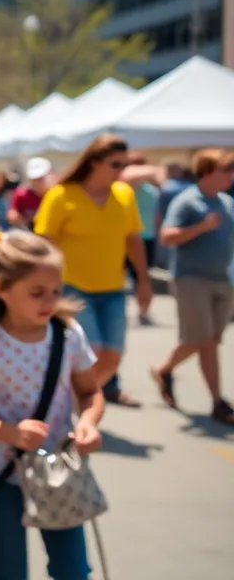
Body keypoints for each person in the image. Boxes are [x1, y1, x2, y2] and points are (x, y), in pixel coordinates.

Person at [0, 230, 104, 580]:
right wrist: (10, 433)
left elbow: (90, 392)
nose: (49, 301)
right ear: (2, 289)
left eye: (56, 291)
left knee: (73, 570)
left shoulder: (67, 333)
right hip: (0, 474)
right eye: (36, 293)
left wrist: (89, 423)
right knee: (9, 571)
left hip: (58, 472)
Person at [35, 134, 150, 408]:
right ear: (94, 162)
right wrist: (41, 288)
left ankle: (72, 402)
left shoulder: (124, 195)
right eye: (115, 164)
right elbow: (44, 244)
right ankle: (74, 405)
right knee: (93, 351)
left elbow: (133, 240)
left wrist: (144, 280)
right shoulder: (62, 195)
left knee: (113, 356)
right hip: (71, 286)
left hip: (113, 287)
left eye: (125, 165)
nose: (122, 171)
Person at [151, 149, 234, 424]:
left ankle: (170, 373)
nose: (231, 176)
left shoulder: (226, 202)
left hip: (221, 279)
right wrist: (201, 227)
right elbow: (167, 236)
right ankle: (214, 399)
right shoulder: (188, 201)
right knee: (202, 340)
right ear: (209, 172)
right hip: (191, 279)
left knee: (208, 340)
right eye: (226, 169)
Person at [123, 152, 161, 325]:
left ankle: (143, 311)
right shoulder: (122, 189)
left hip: (146, 238)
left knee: (143, 277)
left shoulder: (152, 192)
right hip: (125, 237)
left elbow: (157, 216)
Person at [8, 157, 52, 230]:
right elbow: (12, 215)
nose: (37, 183)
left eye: (40, 179)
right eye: (34, 179)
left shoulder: (56, 194)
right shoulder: (21, 194)